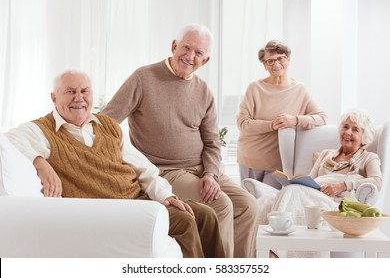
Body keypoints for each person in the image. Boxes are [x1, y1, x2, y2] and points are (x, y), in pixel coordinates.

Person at [5, 70, 226, 258]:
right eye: (70, 91)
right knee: (185, 221)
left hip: (138, 198)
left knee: (206, 215)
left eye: (84, 91)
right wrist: (40, 162)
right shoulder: (42, 130)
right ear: (54, 98)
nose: (78, 98)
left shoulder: (109, 125)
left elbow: (144, 169)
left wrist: (166, 196)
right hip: (115, 211)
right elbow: (9, 139)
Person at [101, 24, 259, 258]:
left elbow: (212, 141)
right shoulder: (143, 78)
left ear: (205, 61)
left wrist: (210, 174)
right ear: (174, 46)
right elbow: (106, 121)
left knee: (249, 206)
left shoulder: (204, 91)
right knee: (221, 205)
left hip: (201, 170)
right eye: (186, 48)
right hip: (166, 170)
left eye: (198, 53)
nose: (190, 56)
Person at [254, 108, 382, 256]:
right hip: (312, 196)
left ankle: (275, 253)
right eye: (345, 127)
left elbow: (377, 181)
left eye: (355, 130)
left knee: (293, 191)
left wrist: (343, 185)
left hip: (332, 203)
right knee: (268, 200)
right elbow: (311, 181)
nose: (348, 132)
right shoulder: (325, 154)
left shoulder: (369, 157)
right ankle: (255, 254)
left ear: (364, 136)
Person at [236, 40, 328, 189]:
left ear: (288, 59)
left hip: (277, 164)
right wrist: (271, 125)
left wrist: (295, 120)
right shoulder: (255, 88)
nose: (276, 64)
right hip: (249, 158)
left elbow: (322, 118)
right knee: (251, 205)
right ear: (265, 65)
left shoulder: (300, 90)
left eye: (280, 58)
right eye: (270, 61)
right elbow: (242, 123)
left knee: (271, 203)